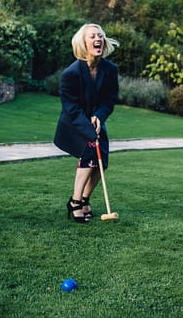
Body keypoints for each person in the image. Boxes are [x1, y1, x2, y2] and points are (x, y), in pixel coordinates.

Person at [54, 23, 120, 223]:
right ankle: (75, 202)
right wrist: (88, 126)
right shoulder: (71, 73)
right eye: (92, 36)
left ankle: (84, 199)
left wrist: (99, 117)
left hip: (97, 120)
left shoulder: (110, 70)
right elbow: (70, 107)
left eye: (100, 36)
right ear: (83, 43)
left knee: (102, 163)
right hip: (75, 122)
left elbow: (110, 99)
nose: (97, 39)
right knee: (90, 154)